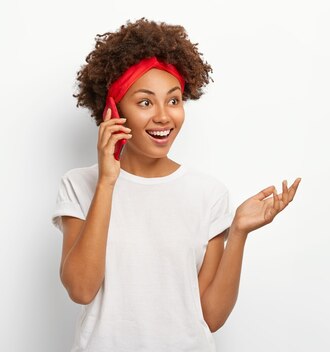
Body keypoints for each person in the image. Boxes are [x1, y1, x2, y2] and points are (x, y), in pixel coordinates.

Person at [51, 18, 301, 351]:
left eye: (173, 100)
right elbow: (81, 289)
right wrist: (108, 181)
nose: (164, 117)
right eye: (144, 102)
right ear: (112, 110)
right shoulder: (80, 184)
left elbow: (208, 317)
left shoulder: (208, 195)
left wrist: (238, 232)